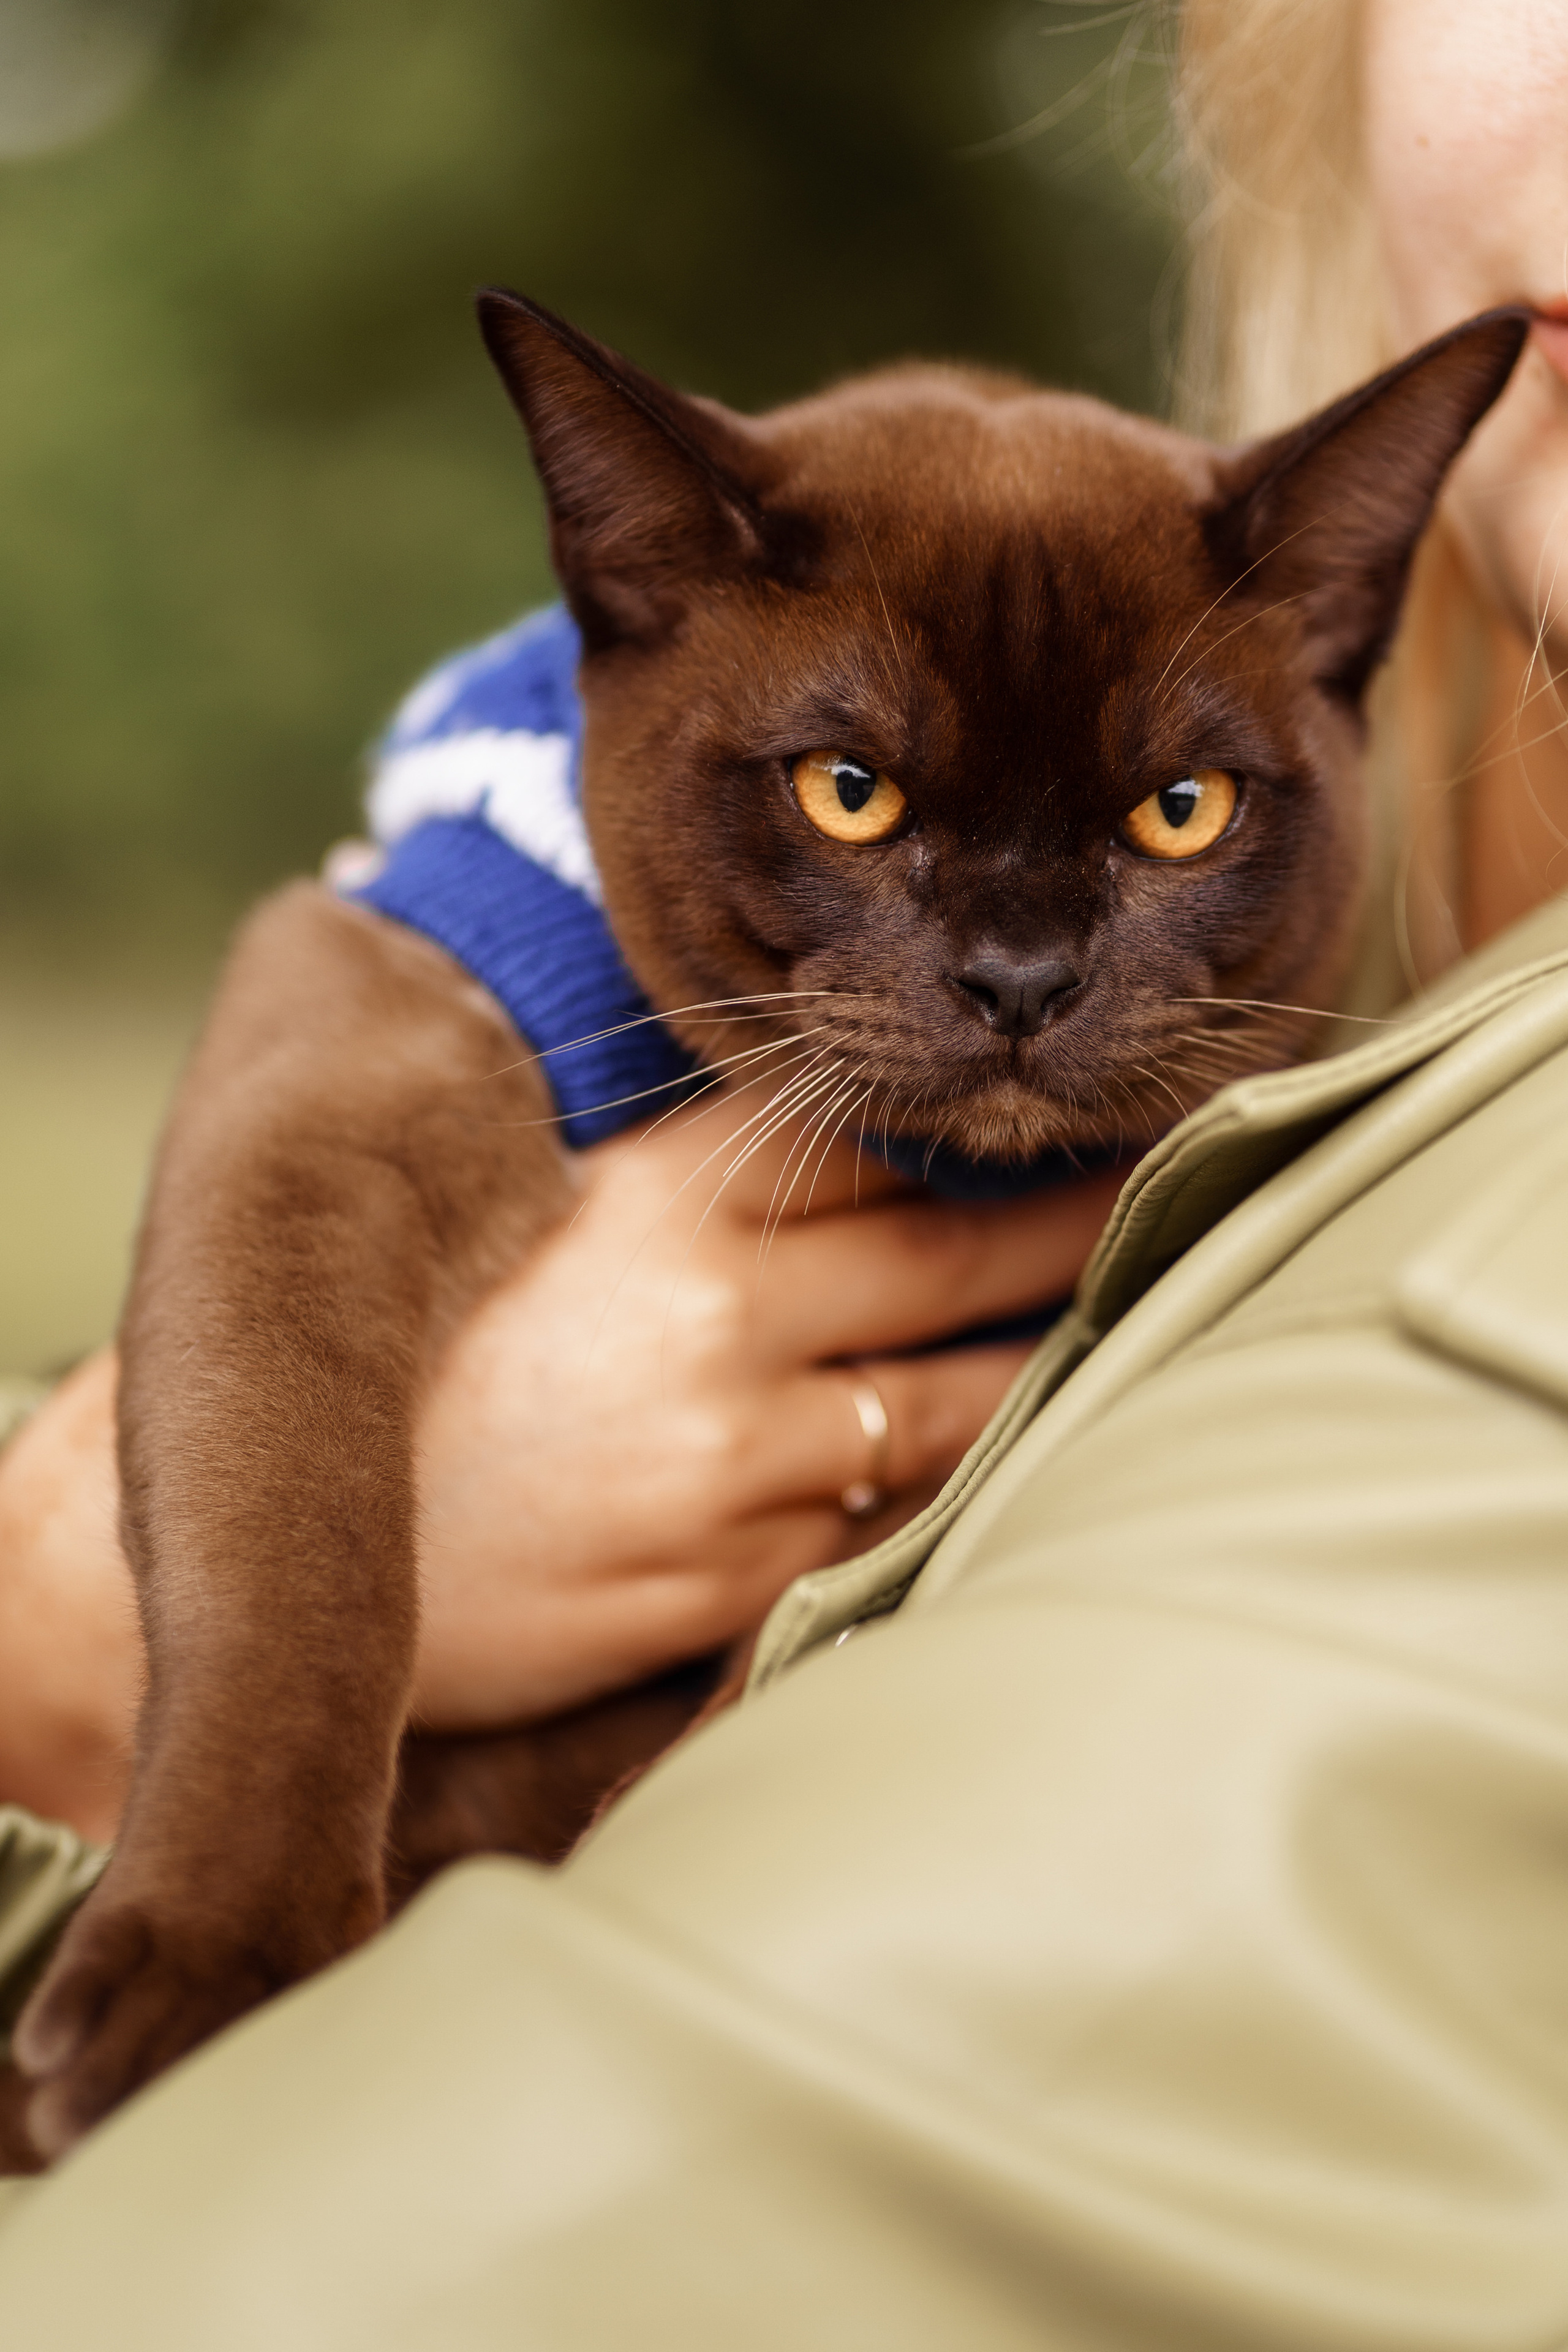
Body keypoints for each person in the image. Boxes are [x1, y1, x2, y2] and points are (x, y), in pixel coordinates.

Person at [2, 0, 1567, 2335]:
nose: (1023, 972)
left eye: (1170, 819)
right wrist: (228, 1827)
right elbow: (300, 1175)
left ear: (1333, 637)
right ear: (627, 585)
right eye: (857, 805)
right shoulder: (513, 890)